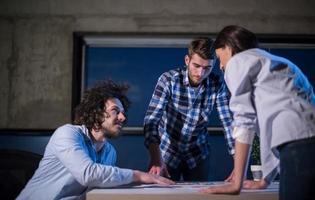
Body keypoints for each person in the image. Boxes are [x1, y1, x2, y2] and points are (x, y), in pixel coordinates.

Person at [201, 25, 315, 200]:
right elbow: (279, 118)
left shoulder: (238, 62)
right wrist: (264, 180)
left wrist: (236, 183)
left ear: (228, 48)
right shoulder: (279, 62)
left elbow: (244, 121)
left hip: (298, 144)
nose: (222, 66)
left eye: (219, 58)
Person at [17, 80, 173, 200]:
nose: (123, 117)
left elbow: (99, 187)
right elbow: (88, 173)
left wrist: (151, 183)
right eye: (115, 111)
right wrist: (139, 176)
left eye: (123, 112)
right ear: (96, 113)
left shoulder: (109, 152)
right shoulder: (67, 134)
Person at [144, 37, 235, 181]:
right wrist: (156, 158)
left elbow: (229, 123)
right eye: (196, 66)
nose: (200, 73)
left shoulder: (218, 84)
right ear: (187, 60)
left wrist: (238, 165)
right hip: (166, 153)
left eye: (207, 68)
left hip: (198, 154)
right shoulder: (168, 80)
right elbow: (151, 120)